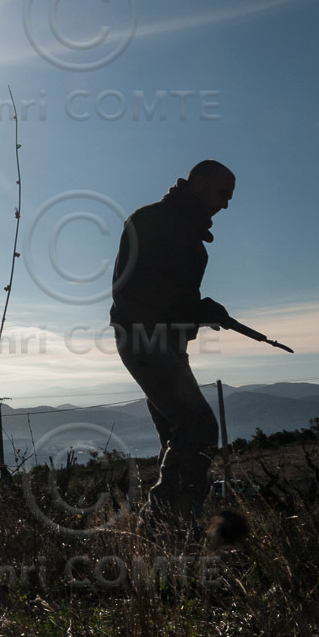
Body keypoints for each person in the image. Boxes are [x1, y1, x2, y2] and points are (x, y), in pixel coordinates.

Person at [110, 159, 237, 534]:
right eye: (221, 193)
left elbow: (168, 295)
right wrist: (197, 309)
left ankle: (176, 533)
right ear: (197, 184)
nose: (226, 204)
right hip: (145, 340)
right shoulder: (152, 220)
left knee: (178, 435)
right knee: (197, 427)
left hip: (166, 344)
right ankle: (162, 524)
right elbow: (130, 290)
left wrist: (198, 311)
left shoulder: (188, 235)